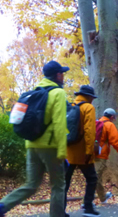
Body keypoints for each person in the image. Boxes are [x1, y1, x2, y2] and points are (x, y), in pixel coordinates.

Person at [0, 61, 69, 217]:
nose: (63, 76)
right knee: (58, 185)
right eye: (62, 73)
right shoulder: (58, 93)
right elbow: (59, 123)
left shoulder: (33, 92)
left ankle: (2, 206)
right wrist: (62, 151)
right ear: (58, 75)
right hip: (50, 147)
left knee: (31, 185)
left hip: (31, 145)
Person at [64, 85, 99, 217]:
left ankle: (60, 210)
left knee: (64, 183)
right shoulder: (88, 108)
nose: (93, 100)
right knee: (92, 178)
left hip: (67, 152)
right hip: (82, 152)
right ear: (89, 96)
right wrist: (89, 152)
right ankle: (88, 207)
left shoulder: (70, 106)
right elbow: (90, 131)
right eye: (92, 97)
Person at [95, 108, 118, 203]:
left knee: (95, 177)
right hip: (101, 155)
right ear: (111, 117)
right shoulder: (109, 125)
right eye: (114, 118)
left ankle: (102, 197)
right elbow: (115, 141)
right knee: (94, 177)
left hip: (91, 153)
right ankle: (86, 202)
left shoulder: (96, 122)